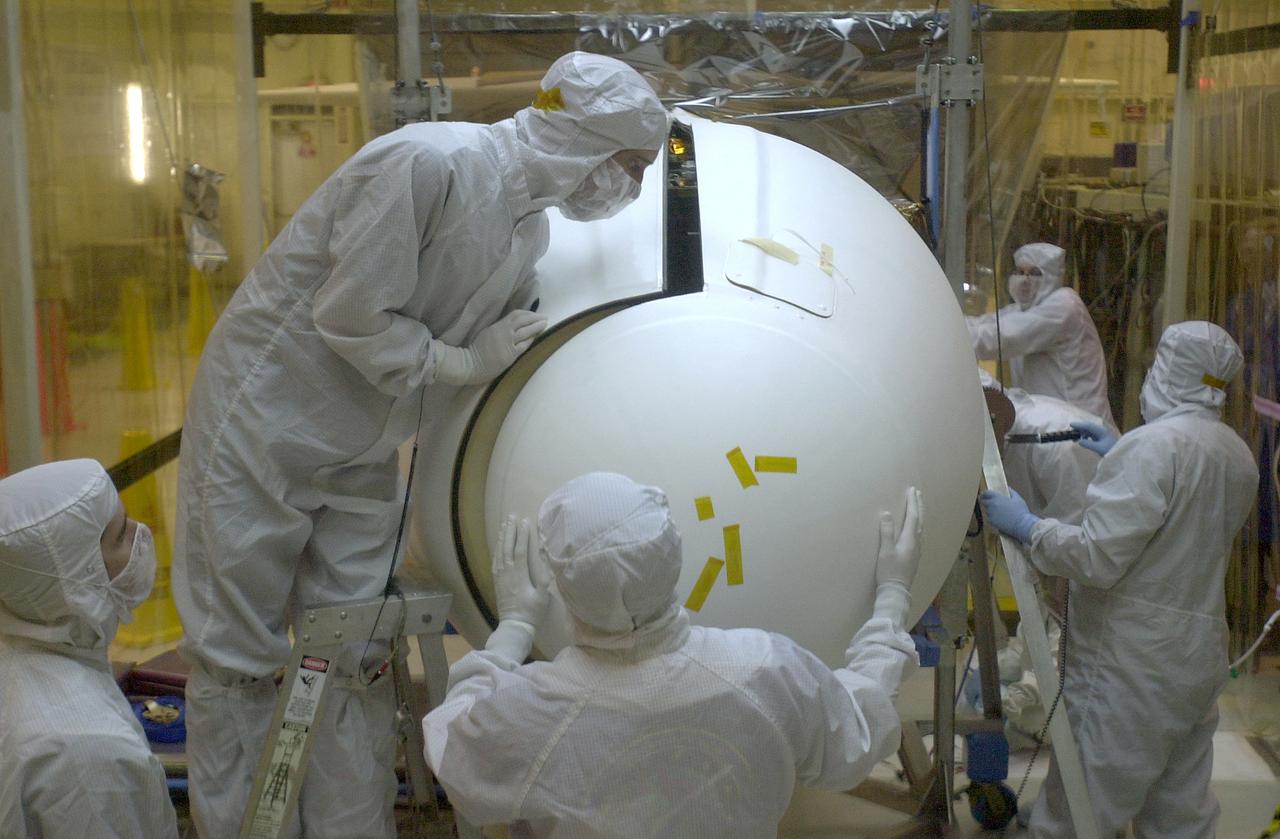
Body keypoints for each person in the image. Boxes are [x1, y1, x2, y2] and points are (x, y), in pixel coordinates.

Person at [173, 53, 670, 837]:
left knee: (356, 655)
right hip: (265, 425)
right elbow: (350, 316)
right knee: (239, 661)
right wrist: (466, 360)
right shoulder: (429, 163)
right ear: (581, 139)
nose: (629, 188)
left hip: (365, 444)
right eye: (628, 166)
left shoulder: (527, 230)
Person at [424, 472, 924, 837]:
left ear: (563, 583)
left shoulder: (538, 710)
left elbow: (453, 750)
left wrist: (512, 628)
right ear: (673, 553)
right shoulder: (764, 668)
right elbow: (858, 731)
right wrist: (892, 599)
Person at [980, 321, 1258, 837]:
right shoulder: (1234, 452)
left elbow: (1095, 559)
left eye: (1156, 365)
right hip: (1194, 657)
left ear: (1169, 371)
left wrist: (1028, 526)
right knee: (1180, 810)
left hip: (1129, 663)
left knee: (1082, 810)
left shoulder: (1152, 448)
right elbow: (1183, 520)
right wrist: (1122, 455)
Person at [0, 459, 177, 838]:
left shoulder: (17, 650)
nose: (139, 535)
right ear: (74, 582)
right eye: (117, 538)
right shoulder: (90, 752)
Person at [972, 370, 1105, 747]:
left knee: (1071, 626)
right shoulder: (997, 440)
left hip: (1085, 562)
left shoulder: (1056, 441)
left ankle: (1052, 714)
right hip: (1056, 545)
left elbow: (1080, 556)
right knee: (1048, 615)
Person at [968, 242, 1116, 428]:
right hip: (1051, 423)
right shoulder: (1024, 311)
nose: (1025, 280)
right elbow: (986, 325)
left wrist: (950, 337)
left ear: (1052, 276)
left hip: (1080, 427)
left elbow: (999, 337)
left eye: (1035, 273)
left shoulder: (1064, 305)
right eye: (1020, 272)